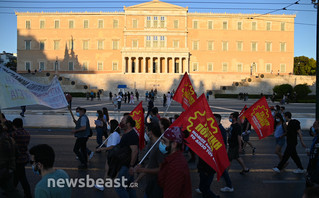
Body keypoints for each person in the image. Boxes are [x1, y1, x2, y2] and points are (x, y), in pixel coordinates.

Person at [158, 127, 191, 198]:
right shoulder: (172, 159)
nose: (161, 143)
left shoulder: (175, 166)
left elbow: (171, 194)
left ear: (174, 144)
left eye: (164, 141)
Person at [134, 122, 165, 198]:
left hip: (157, 185)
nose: (146, 133)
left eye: (146, 130)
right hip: (150, 184)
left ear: (150, 132)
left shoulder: (159, 147)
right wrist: (137, 179)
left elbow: (161, 169)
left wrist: (142, 170)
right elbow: (150, 164)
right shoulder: (152, 145)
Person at [115, 115, 139, 198]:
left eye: (123, 121)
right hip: (126, 165)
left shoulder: (131, 135)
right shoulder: (127, 134)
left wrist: (131, 166)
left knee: (119, 187)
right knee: (129, 187)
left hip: (127, 166)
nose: (121, 123)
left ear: (128, 124)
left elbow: (135, 151)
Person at [95, 119, 121, 191]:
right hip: (111, 153)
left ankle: (118, 186)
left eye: (109, 124)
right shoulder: (113, 134)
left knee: (113, 170)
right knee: (108, 169)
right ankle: (104, 185)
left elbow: (113, 146)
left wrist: (102, 149)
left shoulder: (115, 134)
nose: (108, 125)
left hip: (113, 154)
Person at [11, 118, 32, 198]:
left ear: (14, 125)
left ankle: (27, 194)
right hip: (24, 157)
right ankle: (11, 190)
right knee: (17, 176)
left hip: (17, 158)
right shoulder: (27, 133)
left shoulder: (14, 134)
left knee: (22, 178)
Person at [214, 114, 234, 193]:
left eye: (213, 118)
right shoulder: (216, 128)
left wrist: (223, 153)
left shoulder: (221, 129)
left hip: (219, 152)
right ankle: (203, 186)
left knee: (222, 169)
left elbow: (224, 142)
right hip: (216, 152)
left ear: (217, 119)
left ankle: (229, 186)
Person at [0, 125, 21, 197]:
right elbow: (17, 153)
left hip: (2, 168)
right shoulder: (11, 139)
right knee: (10, 189)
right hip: (10, 167)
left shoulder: (2, 141)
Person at [306, 120, 319, 187]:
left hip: (315, 169)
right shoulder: (316, 138)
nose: (312, 127)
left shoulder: (317, 139)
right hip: (312, 167)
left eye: (314, 126)